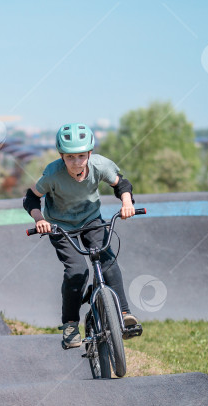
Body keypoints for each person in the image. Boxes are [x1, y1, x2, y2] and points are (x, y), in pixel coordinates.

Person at [23, 122, 138, 350]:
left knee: (108, 263)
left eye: (81, 156)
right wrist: (40, 220)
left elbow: (122, 184)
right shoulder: (52, 174)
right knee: (77, 271)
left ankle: (124, 315)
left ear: (90, 153)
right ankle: (71, 325)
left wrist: (127, 203)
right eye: (70, 157)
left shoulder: (99, 165)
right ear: (61, 156)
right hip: (60, 226)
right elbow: (31, 198)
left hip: (91, 220)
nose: (77, 162)